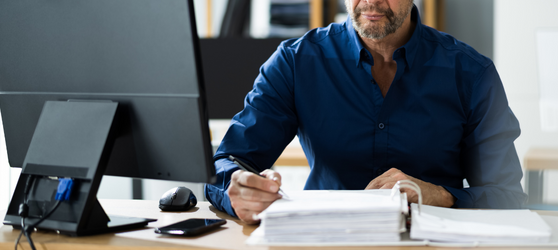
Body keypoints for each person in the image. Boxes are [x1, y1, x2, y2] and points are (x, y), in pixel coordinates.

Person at [205, 0, 527, 224]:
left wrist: (442, 196)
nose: (371, 1)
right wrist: (238, 187)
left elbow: (507, 196)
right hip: (324, 240)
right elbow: (227, 162)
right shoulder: (296, 62)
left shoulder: (471, 73)